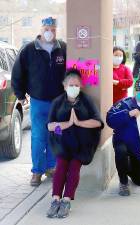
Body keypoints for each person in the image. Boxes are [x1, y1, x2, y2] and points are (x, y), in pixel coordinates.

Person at [11, 17, 66, 186]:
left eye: (53, 29)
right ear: (41, 29)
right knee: (38, 136)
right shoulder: (28, 49)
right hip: (38, 101)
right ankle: (37, 171)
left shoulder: (63, 48)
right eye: (46, 28)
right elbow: (17, 73)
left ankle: (51, 166)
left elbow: (71, 70)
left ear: (57, 30)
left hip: (58, 101)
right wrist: (20, 94)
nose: (50, 32)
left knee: (55, 135)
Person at [46, 69, 104, 218]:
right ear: (64, 86)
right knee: (60, 168)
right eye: (70, 85)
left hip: (82, 144)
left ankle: (66, 200)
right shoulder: (57, 102)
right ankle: (55, 200)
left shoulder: (86, 100)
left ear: (81, 86)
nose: (74, 88)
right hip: (62, 143)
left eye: (76, 85)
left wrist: (78, 122)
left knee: (73, 169)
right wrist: (67, 124)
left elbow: (97, 122)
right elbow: (50, 126)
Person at [106, 79, 140, 196]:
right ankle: (123, 181)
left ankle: (128, 168)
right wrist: (127, 114)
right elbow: (109, 119)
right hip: (123, 142)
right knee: (121, 152)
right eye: (138, 90)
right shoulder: (124, 103)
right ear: (134, 91)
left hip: (139, 148)